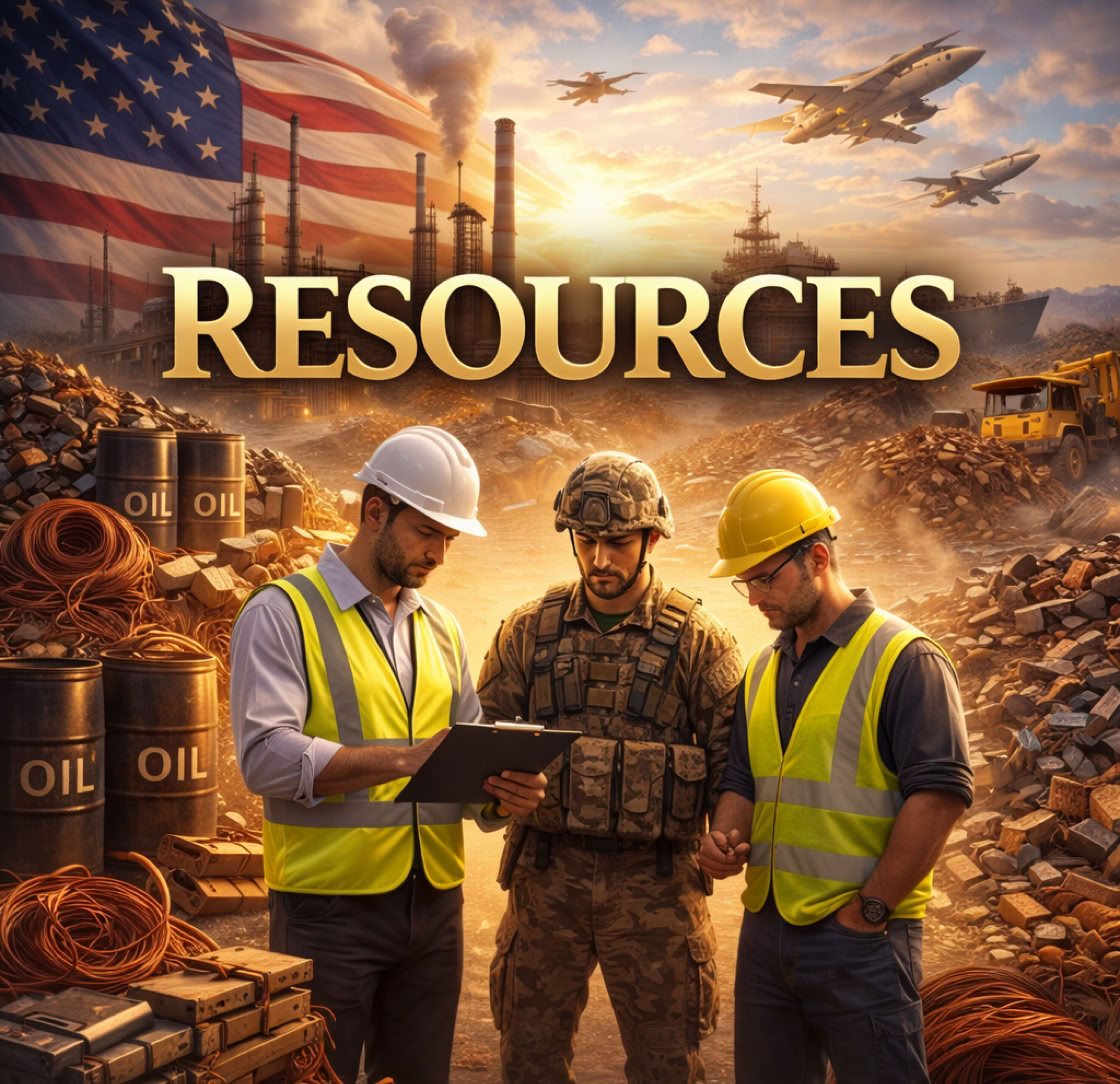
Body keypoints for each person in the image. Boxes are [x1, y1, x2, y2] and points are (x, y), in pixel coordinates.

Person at [229, 426, 547, 1084]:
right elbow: (263, 757)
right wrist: (400, 760)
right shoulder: (282, 614)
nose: (438, 553)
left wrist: (499, 795)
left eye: (448, 539)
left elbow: (458, 760)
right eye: (427, 532)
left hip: (433, 907)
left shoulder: (443, 629)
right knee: (320, 1077)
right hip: (327, 910)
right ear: (376, 511)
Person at [478, 451, 744, 1084]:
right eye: (586, 540)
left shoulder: (700, 640)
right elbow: (479, 749)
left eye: (618, 542)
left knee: (666, 1067)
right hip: (546, 882)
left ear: (651, 537)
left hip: (657, 891)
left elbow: (734, 764)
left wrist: (727, 836)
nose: (600, 559)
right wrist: (496, 796)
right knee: (528, 1062)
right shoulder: (525, 633)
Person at [701, 469, 973, 1084]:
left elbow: (939, 796)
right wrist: (722, 839)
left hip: (862, 940)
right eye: (744, 583)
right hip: (767, 935)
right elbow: (743, 779)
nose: (754, 598)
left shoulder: (905, 659)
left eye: (764, 579)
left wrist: (869, 911)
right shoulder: (761, 671)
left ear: (818, 557)